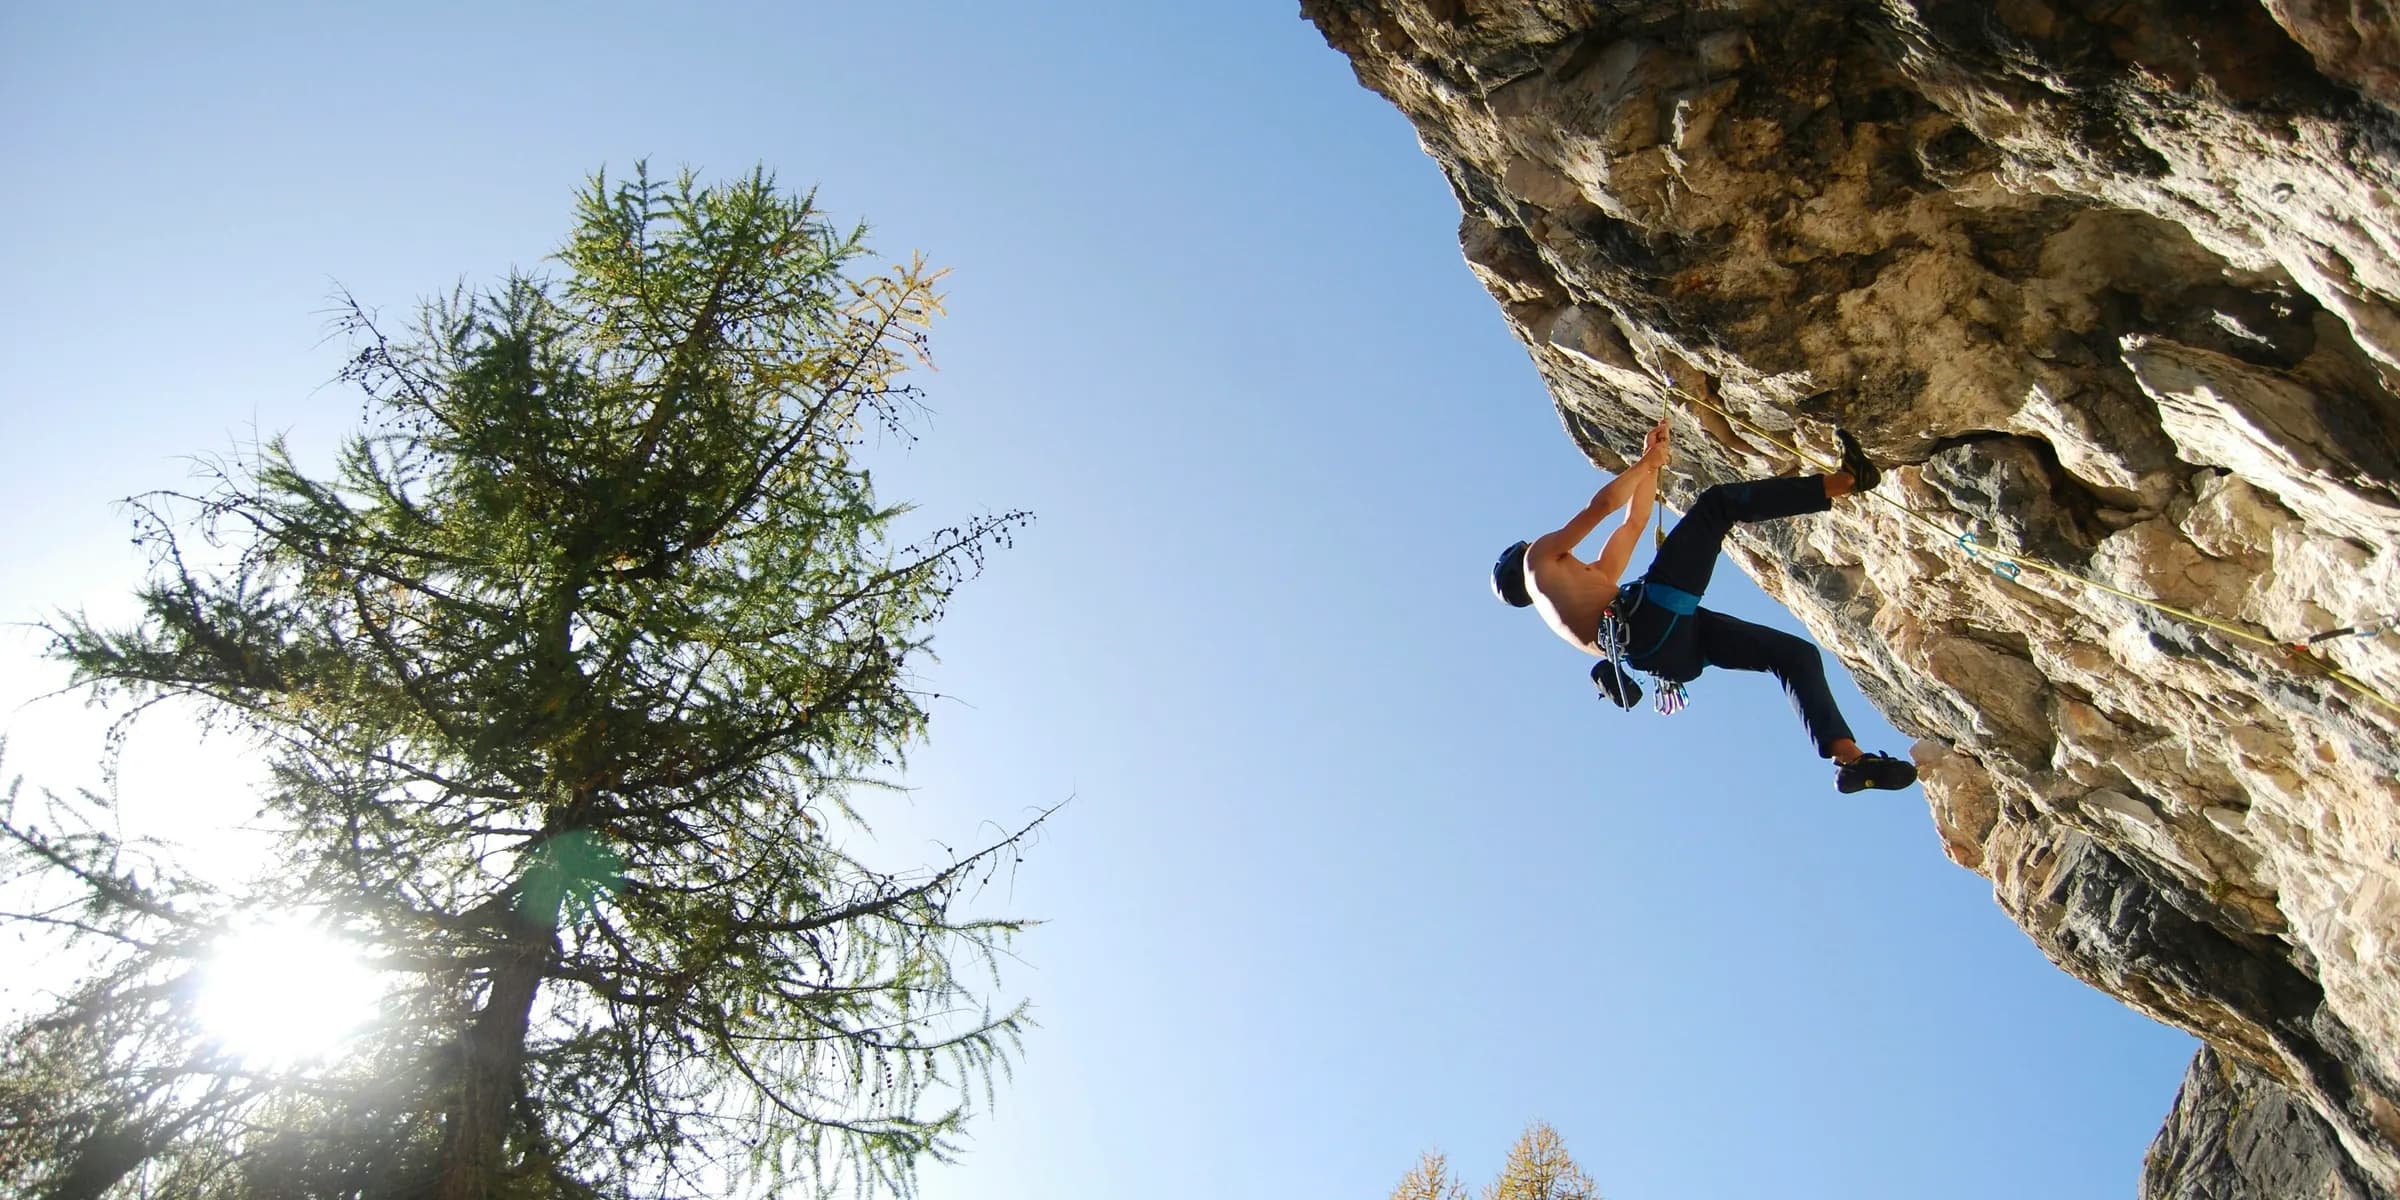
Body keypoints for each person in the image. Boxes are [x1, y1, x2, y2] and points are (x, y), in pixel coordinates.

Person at [1491, 416, 1918, 793]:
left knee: (1794, 655)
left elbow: (1635, 522)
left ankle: (1851, 760)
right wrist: (1643, 467)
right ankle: (1847, 480)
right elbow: (1602, 506)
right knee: (1716, 506)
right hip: (1651, 621)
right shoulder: (1538, 560)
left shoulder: (1579, 595)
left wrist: (1651, 463)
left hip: (1671, 654)